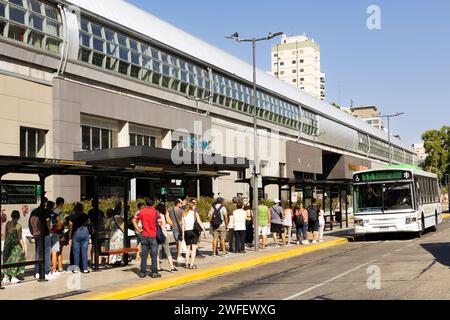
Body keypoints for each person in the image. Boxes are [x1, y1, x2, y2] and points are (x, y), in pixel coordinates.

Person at [133, 198, 161, 279]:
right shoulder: (156, 212)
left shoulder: (142, 211)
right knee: (154, 255)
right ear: (153, 203)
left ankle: (142, 272)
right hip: (153, 235)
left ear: (146, 204)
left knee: (144, 255)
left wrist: (138, 229)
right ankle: (154, 272)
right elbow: (159, 223)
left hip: (144, 235)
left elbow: (134, 220)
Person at [28, 198, 52, 280]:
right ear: (45, 203)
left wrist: (32, 232)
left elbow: (29, 222)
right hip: (45, 234)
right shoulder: (46, 211)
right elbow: (48, 222)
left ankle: (37, 271)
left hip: (37, 234)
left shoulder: (34, 211)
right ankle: (46, 271)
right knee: (46, 252)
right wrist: (50, 230)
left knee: (38, 252)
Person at [3, 210, 26, 284]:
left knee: (6, 260)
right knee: (15, 259)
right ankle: (13, 277)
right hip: (15, 246)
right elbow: (20, 238)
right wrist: (23, 248)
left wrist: (5, 244)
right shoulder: (18, 226)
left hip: (7, 244)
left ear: (12, 216)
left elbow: (6, 235)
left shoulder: (8, 223)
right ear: (18, 217)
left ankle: (5, 277)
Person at [182, 202, 206, 269]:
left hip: (186, 232)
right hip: (194, 232)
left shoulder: (184, 214)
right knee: (194, 249)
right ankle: (191, 265)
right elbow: (199, 222)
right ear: (192, 207)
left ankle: (186, 264)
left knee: (187, 249)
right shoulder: (195, 213)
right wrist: (204, 231)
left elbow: (183, 225)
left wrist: (183, 234)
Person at [68, 203, 90, 273]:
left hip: (76, 233)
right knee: (84, 251)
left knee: (76, 252)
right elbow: (88, 223)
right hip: (85, 232)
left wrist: (69, 238)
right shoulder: (85, 215)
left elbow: (70, 226)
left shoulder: (72, 216)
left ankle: (76, 269)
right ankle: (85, 268)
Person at [157, 208, 177, 272]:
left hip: (157, 236)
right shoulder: (163, 216)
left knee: (157, 253)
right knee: (168, 252)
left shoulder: (155, 215)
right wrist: (167, 214)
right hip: (164, 236)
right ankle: (172, 267)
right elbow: (171, 223)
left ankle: (158, 267)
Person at [88, 198, 106, 268]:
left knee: (93, 245)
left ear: (92, 204)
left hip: (94, 231)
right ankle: (99, 261)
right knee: (100, 245)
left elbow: (89, 222)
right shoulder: (101, 212)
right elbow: (104, 221)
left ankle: (93, 261)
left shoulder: (90, 212)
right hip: (101, 230)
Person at [49, 199, 64, 277]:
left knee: (49, 252)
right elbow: (61, 223)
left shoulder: (48, 213)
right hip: (55, 233)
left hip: (47, 234)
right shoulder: (59, 212)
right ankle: (57, 268)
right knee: (57, 251)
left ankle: (50, 268)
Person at [168, 199, 185, 264]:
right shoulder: (181, 210)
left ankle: (179, 254)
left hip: (173, 227)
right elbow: (183, 219)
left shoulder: (170, 209)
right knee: (180, 241)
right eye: (181, 203)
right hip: (180, 228)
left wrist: (170, 223)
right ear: (178, 203)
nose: (181, 204)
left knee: (177, 242)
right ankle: (179, 255)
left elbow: (167, 216)